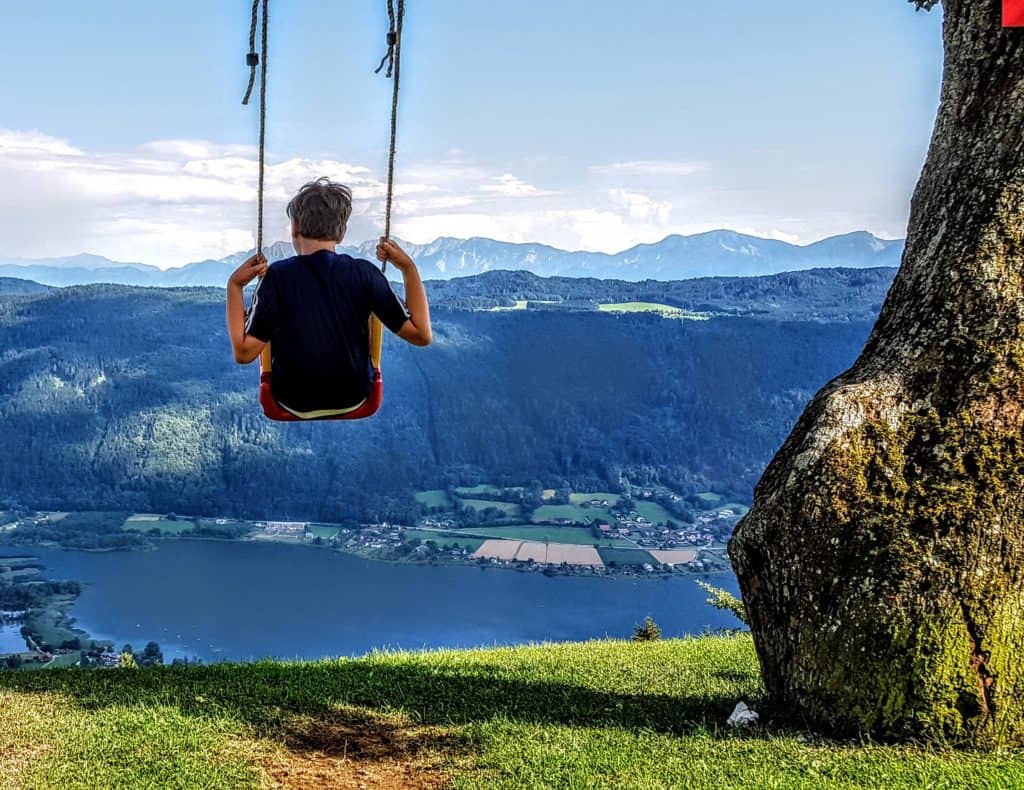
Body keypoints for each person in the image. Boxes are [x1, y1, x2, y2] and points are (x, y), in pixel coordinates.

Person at [226, 177, 432, 417]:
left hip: (292, 399)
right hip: (355, 396)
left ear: (294, 227)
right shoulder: (365, 273)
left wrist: (235, 285)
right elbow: (422, 335)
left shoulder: (278, 277)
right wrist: (408, 268)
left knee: (269, 319)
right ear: (342, 233)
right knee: (371, 311)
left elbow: (243, 353)